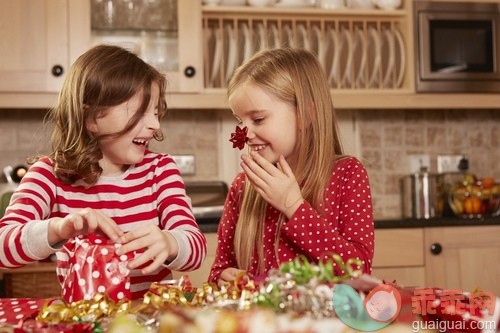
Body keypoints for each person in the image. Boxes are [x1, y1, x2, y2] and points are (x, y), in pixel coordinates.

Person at [0, 45, 206, 299]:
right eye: (140, 112)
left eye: (155, 113)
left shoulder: (160, 170)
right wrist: (59, 229)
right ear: (92, 118)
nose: (155, 124)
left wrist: (171, 242)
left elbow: (196, 249)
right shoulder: (49, 175)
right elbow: (3, 248)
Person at [208, 48, 374, 286]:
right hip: (259, 322)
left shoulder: (347, 175)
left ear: (306, 114)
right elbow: (219, 271)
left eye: (258, 119)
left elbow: (359, 270)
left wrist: (293, 206)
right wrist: (222, 279)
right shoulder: (243, 187)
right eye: (239, 121)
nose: (245, 134)